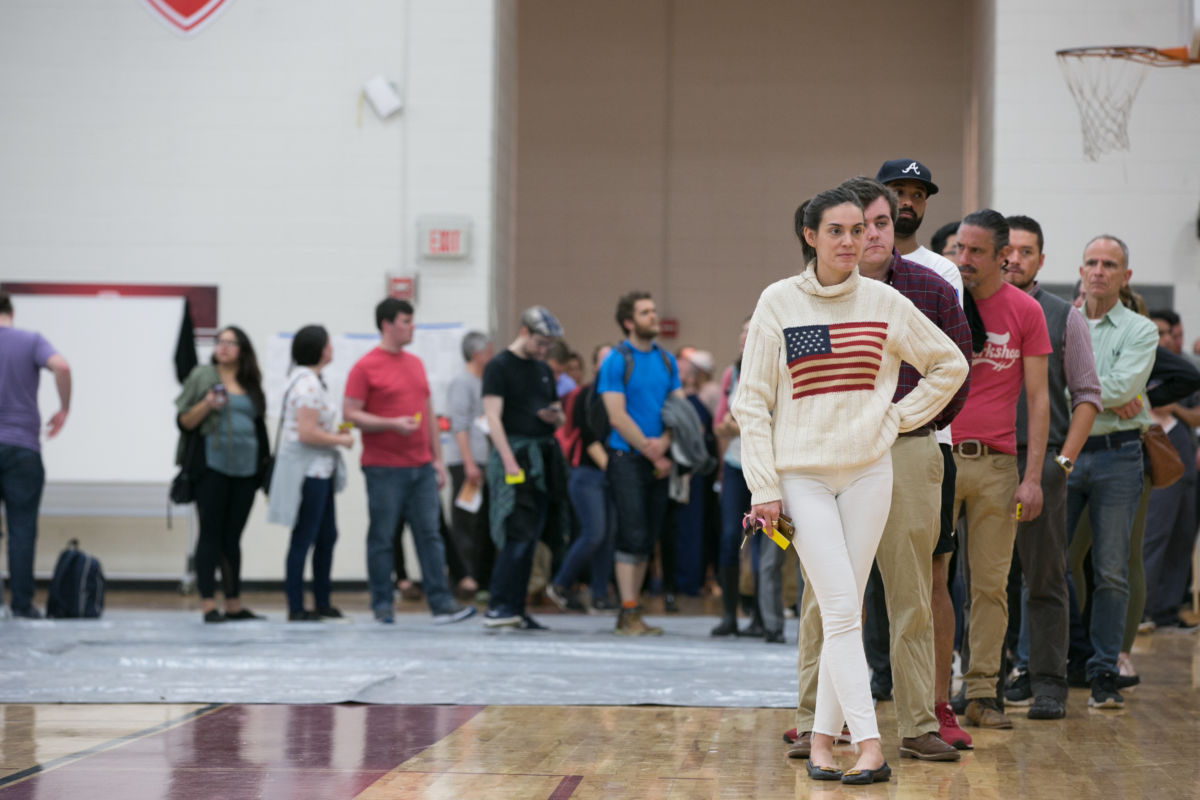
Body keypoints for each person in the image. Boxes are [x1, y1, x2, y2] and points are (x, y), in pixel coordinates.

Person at [734, 186, 967, 783]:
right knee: (840, 608)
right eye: (835, 230)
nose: (850, 241)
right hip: (801, 476)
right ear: (809, 236)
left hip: (871, 471)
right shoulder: (778, 302)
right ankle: (868, 746)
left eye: (858, 230)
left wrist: (897, 417)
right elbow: (752, 401)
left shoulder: (885, 302)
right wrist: (764, 488)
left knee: (846, 610)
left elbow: (950, 364)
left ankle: (819, 745)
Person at [950, 210, 1051, 730]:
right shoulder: (939, 297)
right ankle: (927, 693)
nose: (962, 259)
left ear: (1001, 257)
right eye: (958, 250)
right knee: (926, 583)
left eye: (974, 252)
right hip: (938, 459)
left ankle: (983, 692)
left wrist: (1032, 477)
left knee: (991, 584)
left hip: (996, 465)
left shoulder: (1024, 311)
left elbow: (1038, 401)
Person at [1000, 216, 1102, 719]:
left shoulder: (1065, 315)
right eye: (1009, 250)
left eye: (1026, 251)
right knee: (983, 582)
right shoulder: (975, 309)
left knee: (1044, 577)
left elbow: (1087, 395)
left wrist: (1062, 461)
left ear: (1041, 260)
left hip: (1040, 462)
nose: (1015, 259)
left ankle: (1048, 682)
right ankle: (985, 683)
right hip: (985, 458)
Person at [1068, 235, 1159, 708]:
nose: (1099, 270)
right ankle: (1064, 659)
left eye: (1110, 264)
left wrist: (1077, 393)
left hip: (1118, 457)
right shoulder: (1062, 324)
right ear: (1080, 271)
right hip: (1066, 454)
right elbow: (1049, 386)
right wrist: (1100, 397)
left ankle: (1106, 667)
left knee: (1111, 569)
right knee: (1052, 566)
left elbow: (1126, 387)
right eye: (1092, 262)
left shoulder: (1141, 330)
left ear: (1125, 276)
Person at [343, 298, 475, 625]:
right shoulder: (365, 367)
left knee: (430, 535)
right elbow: (350, 414)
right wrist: (391, 423)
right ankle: (382, 604)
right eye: (405, 321)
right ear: (387, 324)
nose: (411, 326)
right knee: (383, 536)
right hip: (384, 466)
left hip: (421, 466)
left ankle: (441, 602)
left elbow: (429, 414)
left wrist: (438, 460)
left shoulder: (415, 364)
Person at [599, 291, 685, 636]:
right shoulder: (617, 360)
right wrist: (654, 450)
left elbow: (680, 412)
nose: (654, 316)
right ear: (628, 322)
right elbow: (616, 416)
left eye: (654, 310)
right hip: (626, 459)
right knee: (631, 535)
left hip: (658, 459)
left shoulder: (667, 361)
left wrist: (665, 443)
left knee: (648, 538)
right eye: (646, 312)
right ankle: (628, 610)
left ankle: (631, 612)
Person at [481, 306, 571, 630]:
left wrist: (553, 417)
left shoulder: (543, 370)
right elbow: (492, 417)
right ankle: (499, 605)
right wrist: (507, 461)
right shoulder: (499, 367)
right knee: (516, 533)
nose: (544, 349)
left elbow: (558, 413)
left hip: (542, 457)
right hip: (515, 457)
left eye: (548, 344)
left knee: (532, 537)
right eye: (540, 342)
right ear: (524, 332)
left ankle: (516, 607)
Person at [176, 325, 270, 623]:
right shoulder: (202, 376)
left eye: (231, 342)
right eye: (220, 342)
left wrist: (264, 469)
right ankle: (207, 603)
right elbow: (184, 421)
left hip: (246, 470)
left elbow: (259, 425)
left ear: (243, 348)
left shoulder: (250, 382)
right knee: (210, 535)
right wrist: (207, 403)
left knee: (232, 538)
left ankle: (233, 603)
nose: (224, 347)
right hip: (211, 468)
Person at [266, 326, 354, 621]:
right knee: (304, 537)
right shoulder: (307, 385)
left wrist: (337, 432)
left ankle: (322, 600)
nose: (332, 348)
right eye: (328, 344)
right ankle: (295, 605)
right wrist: (341, 440)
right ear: (319, 349)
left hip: (321, 470)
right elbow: (306, 433)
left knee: (327, 535)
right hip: (309, 472)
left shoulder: (314, 381)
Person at [0, 292, 71, 618]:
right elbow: (61, 366)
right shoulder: (30, 341)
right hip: (23, 448)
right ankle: (22, 603)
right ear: (11, 311)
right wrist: (64, 408)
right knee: (22, 530)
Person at [546, 344, 618, 614]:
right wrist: (612, 469)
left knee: (607, 536)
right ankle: (561, 583)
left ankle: (599, 594)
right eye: (604, 360)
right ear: (596, 365)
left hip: (607, 475)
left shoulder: (618, 396)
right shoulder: (585, 395)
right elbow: (588, 437)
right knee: (594, 532)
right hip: (586, 474)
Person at [445, 330, 495, 597]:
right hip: (468, 464)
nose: (492, 356)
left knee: (485, 522)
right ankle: (464, 579)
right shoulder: (462, 383)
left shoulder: (484, 382)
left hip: (485, 461)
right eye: (489, 352)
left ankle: (483, 578)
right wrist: (469, 464)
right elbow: (459, 425)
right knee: (466, 523)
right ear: (477, 354)